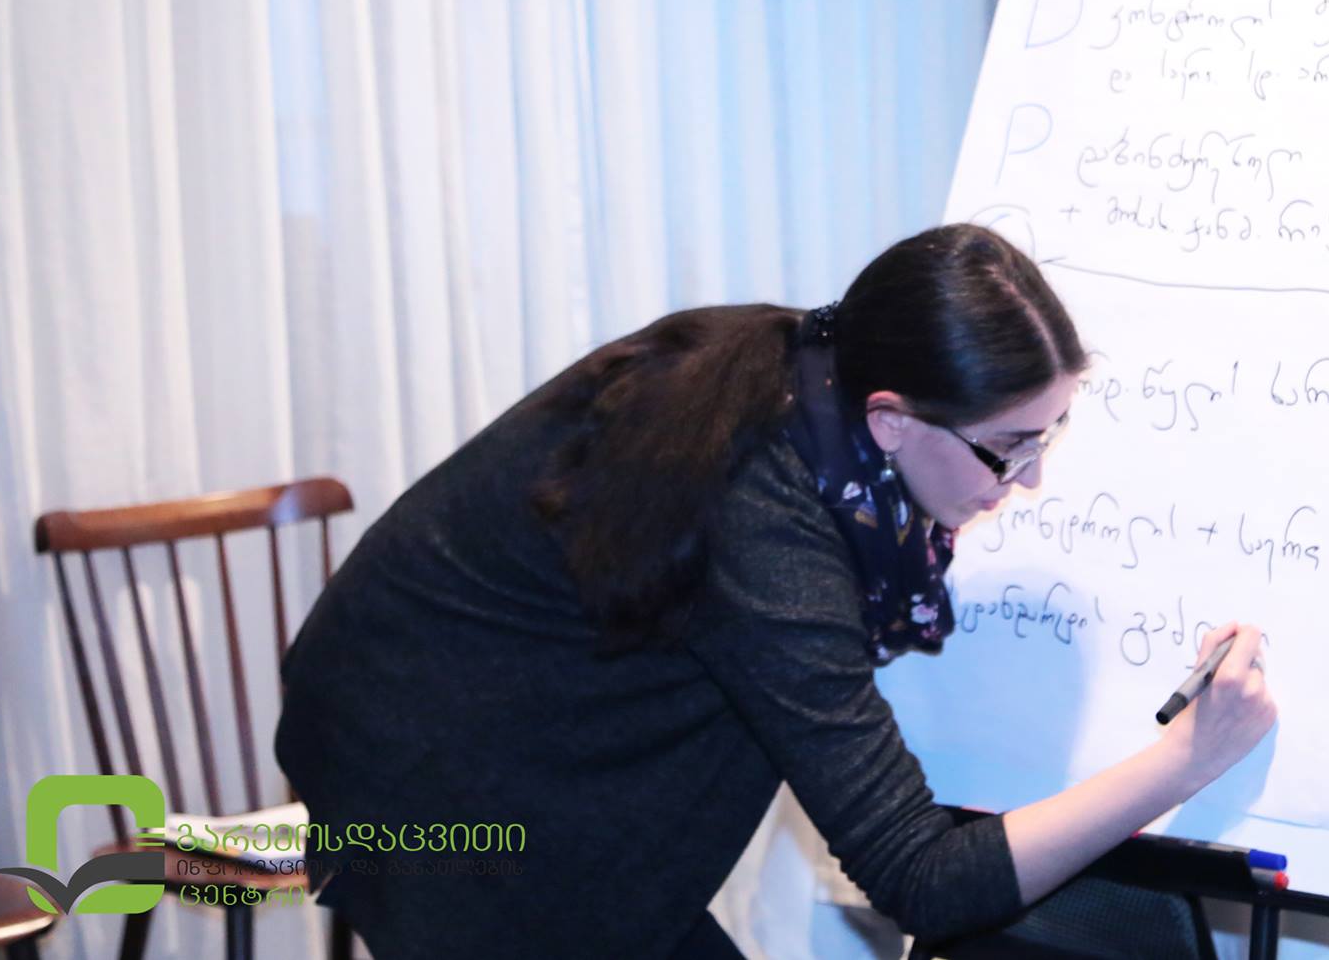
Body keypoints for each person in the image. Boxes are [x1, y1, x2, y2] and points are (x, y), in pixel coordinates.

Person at [275, 223, 1275, 958]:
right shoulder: (769, 522)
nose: (1029, 479)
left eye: (1047, 436)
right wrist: (1185, 758)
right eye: (1007, 449)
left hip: (492, 726)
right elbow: (923, 881)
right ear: (892, 421)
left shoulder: (806, 363)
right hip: (428, 793)